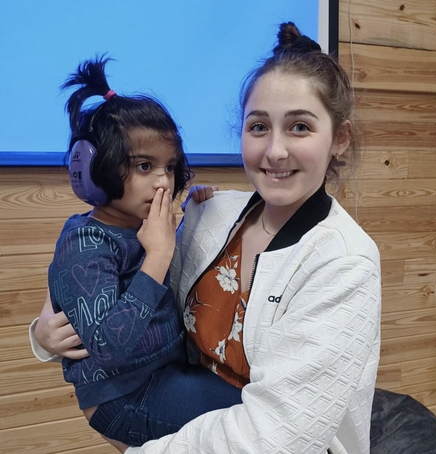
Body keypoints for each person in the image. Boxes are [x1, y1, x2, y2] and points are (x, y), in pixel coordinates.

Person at [31, 22, 381, 454]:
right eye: (258, 127)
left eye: (300, 128)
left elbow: (276, 435)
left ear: (339, 139)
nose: (275, 150)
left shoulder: (345, 262)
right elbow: (101, 280)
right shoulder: (210, 214)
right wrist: (43, 333)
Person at [36, 55, 243, 449]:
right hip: (123, 397)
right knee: (250, 412)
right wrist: (158, 256)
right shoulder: (85, 242)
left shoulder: (143, 228)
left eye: (169, 167)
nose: (163, 181)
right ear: (97, 169)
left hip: (164, 374)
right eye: (145, 166)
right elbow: (109, 349)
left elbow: (167, 271)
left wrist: (192, 214)